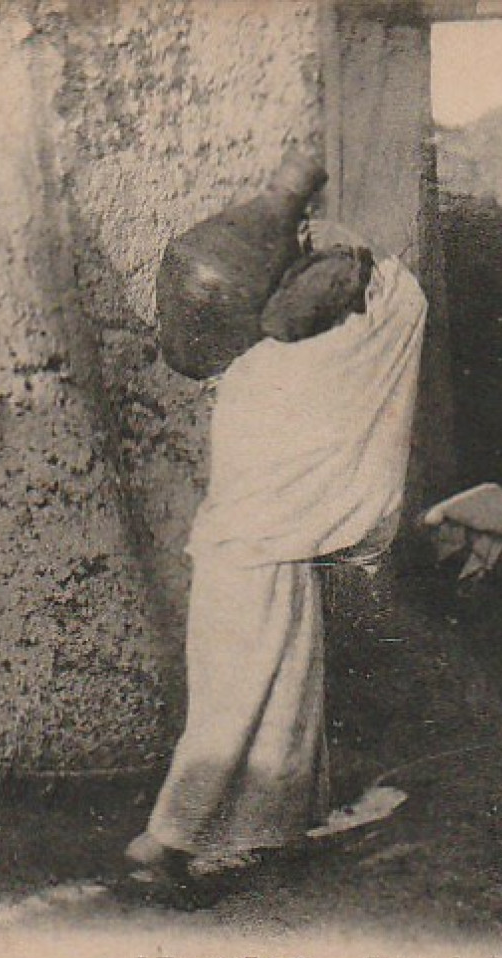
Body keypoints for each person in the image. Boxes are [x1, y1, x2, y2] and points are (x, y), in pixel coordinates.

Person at [127, 233, 427, 880]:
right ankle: (165, 842)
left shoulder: (254, 369)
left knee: (278, 697)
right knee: (241, 704)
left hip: (242, 556)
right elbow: (403, 304)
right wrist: (350, 251)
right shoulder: (321, 370)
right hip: (259, 565)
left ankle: (267, 829)